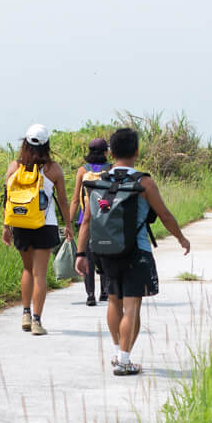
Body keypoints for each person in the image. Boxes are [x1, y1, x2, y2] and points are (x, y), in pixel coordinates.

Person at [74, 126, 189, 376]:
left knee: (113, 300)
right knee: (132, 305)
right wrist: (180, 238)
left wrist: (81, 254)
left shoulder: (99, 181)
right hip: (136, 251)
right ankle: (125, 360)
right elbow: (165, 215)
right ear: (136, 151)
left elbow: (87, 221)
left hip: (105, 251)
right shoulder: (143, 181)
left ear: (111, 152)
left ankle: (118, 352)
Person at [2, 123, 73, 336]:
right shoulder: (53, 169)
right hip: (45, 224)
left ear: (25, 142)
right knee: (39, 274)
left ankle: (25, 313)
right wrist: (68, 225)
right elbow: (62, 201)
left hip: (21, 224)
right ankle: (36, 321)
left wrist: (6, 227)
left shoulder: (14, 167)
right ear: (46, 144)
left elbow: (7, 200)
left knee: (27, 270)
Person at [70, 136, 110, 307]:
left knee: (87, 256)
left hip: (84, 219)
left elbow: (74, 199)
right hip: (105, 218)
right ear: (105, 152)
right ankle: (105, 292)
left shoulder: (82, 170)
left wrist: (69, 222)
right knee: (105, 254)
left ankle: (90, 295)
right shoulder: (111, 169)